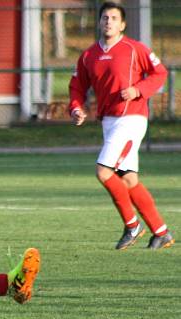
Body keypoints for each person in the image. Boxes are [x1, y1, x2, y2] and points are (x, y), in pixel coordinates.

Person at [69, 1, 174, 250]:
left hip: (131, 119)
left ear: (122, 24)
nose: (108, 21)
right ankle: (161, 232)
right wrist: (75, 107)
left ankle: (132, 226)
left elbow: (160, 73)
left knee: (103, 172)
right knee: (128, 180)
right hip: (109, 121)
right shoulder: (88, 55)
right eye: (105, 17)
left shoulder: (135, 49)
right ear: (99, 22)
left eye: (114, 18)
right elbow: (77, 87)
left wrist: (139, 90)